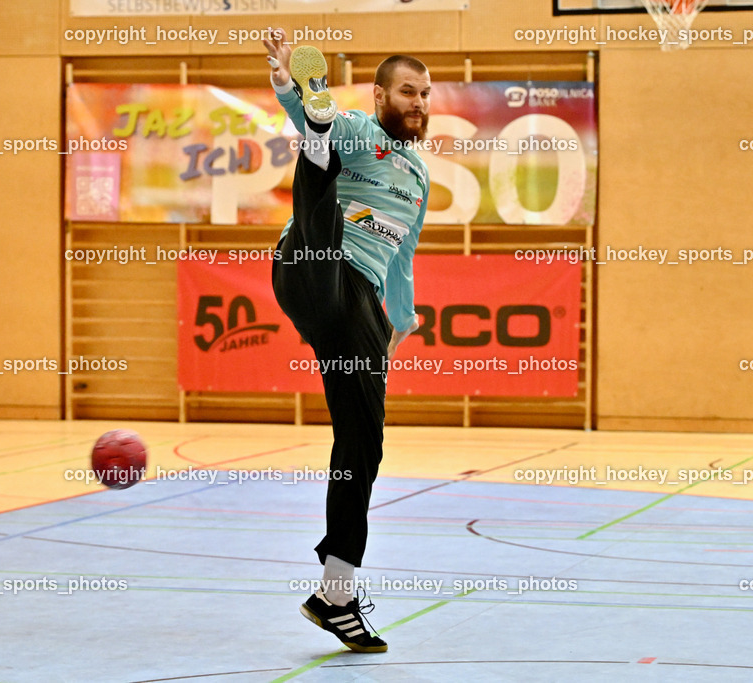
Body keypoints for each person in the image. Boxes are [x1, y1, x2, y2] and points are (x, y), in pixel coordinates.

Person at [262, 29, 431, 653]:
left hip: (355, 304)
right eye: (407, 91)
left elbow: (403, 260)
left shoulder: (419, 177)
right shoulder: (366, 130)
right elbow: (305, 116)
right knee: (323, 168)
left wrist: (399, 326)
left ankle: (336, 592)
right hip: (311, 258)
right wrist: (290, 88)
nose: (418, 101)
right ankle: (316, 121)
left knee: (363, 438)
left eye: (425, 94)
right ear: (382, 95)